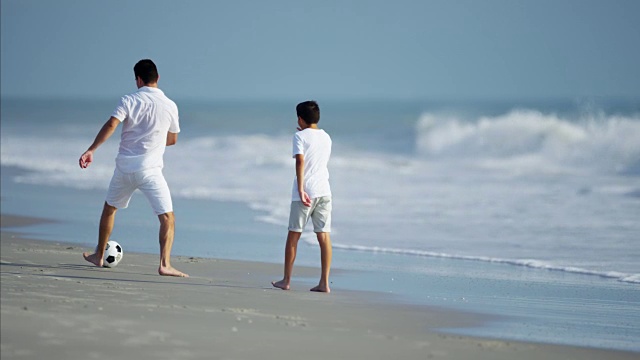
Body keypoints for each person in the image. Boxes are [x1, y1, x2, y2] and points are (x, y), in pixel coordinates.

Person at [79, 59, 188, 278]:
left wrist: (91, 150)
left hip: (125, 169)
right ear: (157, 78)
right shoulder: (170, 105)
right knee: (167, 218)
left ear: (138, 79)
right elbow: (173, 139)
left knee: (110, 209)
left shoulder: (129, 100)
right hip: (150, 171)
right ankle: (165, 264)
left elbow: (112, 125)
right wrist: (153, 139)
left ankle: (99, 255)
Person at [272, 101, 333, 293]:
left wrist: (300, 189)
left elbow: (300, 160)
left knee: (293, 235)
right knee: (323, 236)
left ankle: (286, 280)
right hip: (324, 191)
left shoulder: (299, 136)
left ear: (300, 118)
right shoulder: (326, 137)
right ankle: (324, 283)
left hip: (305, 193)